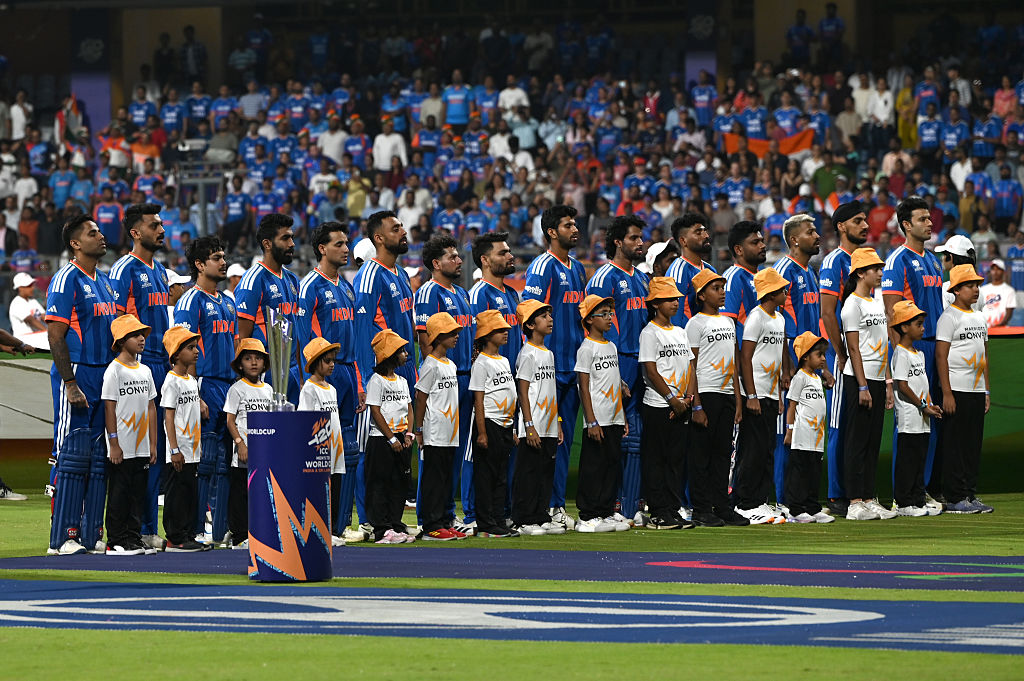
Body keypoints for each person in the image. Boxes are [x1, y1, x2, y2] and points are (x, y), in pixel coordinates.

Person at [47, 214, 119, 556]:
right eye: (92, 233)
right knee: (70, 453)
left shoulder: (104, 281)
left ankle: (90, 534)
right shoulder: (65, 280)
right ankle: (62, 536)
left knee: (97, 457)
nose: (101, 236)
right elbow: (55, 335)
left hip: (103, 374)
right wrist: (70, 382)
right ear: (76, 243)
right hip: (77, 371)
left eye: (100, 231)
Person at [296, 222, 366, 543]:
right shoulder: (310, 285)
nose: (346, 249)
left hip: (349, 371)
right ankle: (321, 523)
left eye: (346, 243)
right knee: (321, 451)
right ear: (322, 249)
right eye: (339, 244)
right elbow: (303, 338)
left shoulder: (347, 286)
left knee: (347, 450)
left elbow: (352, 339)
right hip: (323, 373)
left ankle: (340, 524)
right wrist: (308, 379)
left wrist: (359, 382)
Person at [109, 203, 171, 552]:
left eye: (161, 224)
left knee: (153, 454)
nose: (161, 230)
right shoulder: (123, 270)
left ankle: (148, 529)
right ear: (136, 232)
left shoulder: (160, 271)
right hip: (135, 368)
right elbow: (116, 325)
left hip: (160, 366)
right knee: (130, 456)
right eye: (154, 225)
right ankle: (126, 532)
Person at [521, 205, 585, 523]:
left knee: (563, 439)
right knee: (544, 441)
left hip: (573, 367)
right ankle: (542, 505)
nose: (575, 229)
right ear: (551, 232)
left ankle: (556, 504)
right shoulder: (542, 267)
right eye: (568, 225)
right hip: (549, 369)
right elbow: (528, 312)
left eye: (575, 223)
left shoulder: (578, 268)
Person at [353, 211, 417, 534]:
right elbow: (363, 331)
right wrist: (366, 380)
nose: (402, 232)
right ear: (379, 238)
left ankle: (393, 519)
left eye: (402, 226)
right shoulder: (369, 275)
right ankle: (368, 521)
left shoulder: (402, 275)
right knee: (373, 452)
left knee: (399, 454)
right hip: (378, 379)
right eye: (395, 228)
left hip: (403, 377)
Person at [174, 236, 238, 546]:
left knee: (227, 462)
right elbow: (183, 350)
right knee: (205, 461)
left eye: (223, 256)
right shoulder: (190, 300)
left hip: (230, 385)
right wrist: (195, 392)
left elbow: (237, 345)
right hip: (205, 384)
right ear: (200, 265)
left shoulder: (228, 301)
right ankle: (197, 528)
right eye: (216, 257)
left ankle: (222, 529)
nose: (223, 261)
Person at [584, 215, 648, 521]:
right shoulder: (603, 278)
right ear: (617, 242)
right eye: (634, 238)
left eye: (641, 238)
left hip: (641, 361)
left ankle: (630, 505)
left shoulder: (642, 278)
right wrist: (613, 371)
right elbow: (595, 331)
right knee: (612, 436)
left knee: (634, 437)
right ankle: (606, 504)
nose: (640, 243)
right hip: (617, 360)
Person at [882, 196, 945, 510]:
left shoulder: (933, 260)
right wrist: (898, 361)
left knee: (930, 419)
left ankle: (922, 490)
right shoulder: (897, 261)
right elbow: (892, 313)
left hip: (935, 345)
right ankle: (901, 495)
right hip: (912, 347)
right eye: (922, 219)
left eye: (929, 218)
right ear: (906, 224)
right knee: (908, 423)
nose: (929, 223)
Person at [413, 234, 476, 534]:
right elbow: (425, 341)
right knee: (433, 451)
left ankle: (448, 514)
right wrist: (436, 376)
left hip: (464, 376)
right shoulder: (428, 293)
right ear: (436, 264)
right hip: (442, 380)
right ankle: (428, 518)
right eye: (452, 257)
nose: (459, 260)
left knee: (454, 450)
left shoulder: (462, 295)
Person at [773, 213, 832, 510]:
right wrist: (787, 366)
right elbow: (781, 323)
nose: (817, 236)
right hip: (792, 366)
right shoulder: (784, 269)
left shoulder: (810, 272)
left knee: (809, 433)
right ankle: (786, 501)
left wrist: (822, 364)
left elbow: (815, 322)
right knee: (789, 433)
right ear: (795, 239)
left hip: (807, 365)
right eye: (811, 232)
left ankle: (805, 501)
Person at [686, 269, 747, 527]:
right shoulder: (694, 324)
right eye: (716, 288)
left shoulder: (728, 322)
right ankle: (701, 508)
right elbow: (691, 365)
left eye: (723, 287)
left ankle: (722, 506)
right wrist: (696, 403)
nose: (722, 292)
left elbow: (733, 361)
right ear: (701, 295)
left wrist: (738, 398)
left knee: (723, 453)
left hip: (726, 394)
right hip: (706, 393)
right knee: (702, 454)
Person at [819, 201, 869, 516]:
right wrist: (840, 353)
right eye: (858, 221)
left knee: (859, 426)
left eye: (866, 220)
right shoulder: (834, 262)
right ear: (841, 226)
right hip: (843, 354)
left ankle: (859, 492)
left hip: (864, 355)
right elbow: (827, 312)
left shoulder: (866, 260)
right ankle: (837, 495)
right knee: (839, 423)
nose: (865, 225)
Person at [840, 248, 897, 521]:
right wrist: (862, 386)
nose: (879, 273)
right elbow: (853, 348)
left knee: (873, 441)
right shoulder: (852, 305)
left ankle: (869, 497)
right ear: (861, 272)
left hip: (876, 378)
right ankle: (854, 502)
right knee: (857, 440)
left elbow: (883, 346)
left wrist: (887, 383)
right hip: (857, 380)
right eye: (875, 268)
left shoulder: (876, 303)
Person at [638, 277, 696, 530]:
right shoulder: (649, 333)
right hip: (659, 406)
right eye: (669, 299)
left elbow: (691, 366)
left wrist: (688, 399)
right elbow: (651, 371)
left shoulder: (681, 332)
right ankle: (659, 512)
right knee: (657, 460)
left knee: (675, 461)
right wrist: (673, 400)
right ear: (655, 304)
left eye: (676, 299)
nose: (676, 303)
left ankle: (673, 509)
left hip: (682, 404)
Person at [732, 268, 788, 525]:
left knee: (766, 449)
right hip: (755, 393)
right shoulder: (757, 318)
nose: (785, 292)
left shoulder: (779, 319)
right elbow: (745, 357)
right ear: (770, 293)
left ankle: (760, 500)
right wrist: (750, 394)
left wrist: (777, 394)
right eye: (781, 289)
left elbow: (777, 358)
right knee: (751, 450)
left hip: (770, 393)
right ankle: (745, 503)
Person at [936, 265, 992, 514]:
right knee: (955, 444)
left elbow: (984, 354)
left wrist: (987, 391)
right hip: (957, 389)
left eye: (977, 285)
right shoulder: (949, 317)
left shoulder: (979, 316)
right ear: (956, 290)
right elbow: (941, 355)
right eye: (970, 285)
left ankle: (969, 493)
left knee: (972, 444)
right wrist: (946, 392)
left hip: (977, 391)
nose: (975, 289)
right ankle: (954, 496)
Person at [101, 314, 158, 555]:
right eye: (135, 335)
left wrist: (153, 444)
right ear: (122, 340)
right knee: (119, 494)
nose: (141, 339)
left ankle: (133, 538)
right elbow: (109, 406)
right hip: (122, 445)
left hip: (142, 445)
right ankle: (115, 540)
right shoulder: (114, 370)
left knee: (137, 494)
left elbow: (151, 407)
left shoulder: (145, 370)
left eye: (142, 335)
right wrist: (113, 443)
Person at [574, 294, 630, 533]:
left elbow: (615, 383)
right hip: (598, 419)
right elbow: (583, 386)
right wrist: (591, 421)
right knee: (593, 466)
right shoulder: (586, 348)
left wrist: (623, 418)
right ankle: (588, 515)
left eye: (610, 313)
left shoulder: (612, 346)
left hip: (614, 417)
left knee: (611, 464)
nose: (609, 318)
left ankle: (605, 510)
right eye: (603, 314)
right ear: (589, 320)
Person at [235, 213, 303, 404]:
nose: (292, 244)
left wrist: (301, 374)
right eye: (285, 238)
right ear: (267, 244)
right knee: (271, 432)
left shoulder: (292, 280)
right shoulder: (253, 280)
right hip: (268, 372)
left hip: (292, 370)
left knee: (292, 431)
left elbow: (294, 331)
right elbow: (242, 338)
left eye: (292, 237)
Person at [512, 299, 565, 537]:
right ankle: (524, 518)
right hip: (532, 425)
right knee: (528, 472)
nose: (550, 319)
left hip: (549, 425)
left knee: (545, 471)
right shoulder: (527, 353)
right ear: (531, 325)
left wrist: (558, 423)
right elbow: (522, 390)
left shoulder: (549, 353)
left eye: (549, 316)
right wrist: (529, 425)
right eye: (543, 316)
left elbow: (550, 389)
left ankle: (541, 515)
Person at [413, 313, 468, 541]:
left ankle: (444, 520)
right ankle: (430, 525)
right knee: (433, 479)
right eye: (451, 333)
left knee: (446, 478)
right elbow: (420, 397)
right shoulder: (430, 365)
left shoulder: (451, 364)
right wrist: (418, 429)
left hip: (450, 433)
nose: (456, 336)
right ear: (438, 336)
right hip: (434, 432)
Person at [889, 301, 943, 516]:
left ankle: (918, 499)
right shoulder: (901, 353)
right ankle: (903, 503)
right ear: (904, 327)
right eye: (918, 324)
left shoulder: (918, 354)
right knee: (908, 460)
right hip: (910, 418)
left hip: (922, 417)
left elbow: (924, 384)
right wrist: (922, 406)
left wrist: (930, 405)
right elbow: (902, 385)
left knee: (920, 458)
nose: (923, 329)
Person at [469, 309, 519, 538]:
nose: (506, 332)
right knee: (486, 477)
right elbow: (478, 400)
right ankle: (486, 523)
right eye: (500, 330)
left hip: (506, 426)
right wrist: (481, 432)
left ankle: (499, 520)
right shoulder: (481, 363)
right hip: (489, 425)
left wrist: (514, 428)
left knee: (501, 477)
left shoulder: (505, 360)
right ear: (488, 335)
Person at [364, 329, 417, 544]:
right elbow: (375, 411)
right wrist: (392, 439)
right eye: (401, 351)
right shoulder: (376, 381)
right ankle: (381, 528)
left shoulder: (402, 381)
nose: (406, 354)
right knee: (379, 483)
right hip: (382, 439)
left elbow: (409, 408)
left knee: (399, 483)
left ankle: (395, 523)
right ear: (389, 354)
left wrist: (408, 434)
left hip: (402, 437)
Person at [160, 326, 209, 552]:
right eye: (190, 348)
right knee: (176, 494)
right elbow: (168, 417)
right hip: (179, 449)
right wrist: (173, 449)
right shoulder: (172, 382)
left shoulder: (190, 380)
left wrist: (200, 403)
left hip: (193, 448)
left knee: (189, 492)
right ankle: (174, 537)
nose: (196, 351)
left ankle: (188, 533)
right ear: (177, 354)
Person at [223, 339, 273, 549]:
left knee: (262, 494)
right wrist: (240, 443)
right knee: (240, 495)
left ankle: (259, 533)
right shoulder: (237, 389)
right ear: (240, 364)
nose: (253, 362)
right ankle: (239, 536)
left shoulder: (269, 389)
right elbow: (230, 420)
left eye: (258, 358)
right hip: (243, 453)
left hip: (264, 453)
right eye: (248, 358)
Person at [298, 337, 345, 546]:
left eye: (333, 360)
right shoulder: (309, 389)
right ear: (316, 363)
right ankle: (320, 531)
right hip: (319, 450)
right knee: (320, 492)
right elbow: (306, 421)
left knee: (334, 489)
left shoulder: (331, 389)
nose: (332, 364)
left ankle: (331, 530)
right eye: (327, 360)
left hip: (335, 448)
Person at [783, 332, 832, 524]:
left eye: (823, 355)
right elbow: (792, 405)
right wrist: (789, 430)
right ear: (805, 357)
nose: (822, 359)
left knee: (814, 472)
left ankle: (812, 507)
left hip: (817, 437)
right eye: (819, 355)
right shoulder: (800, 378)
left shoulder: (816, 379)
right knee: (799, 472)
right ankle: (795, 509)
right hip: (801, 435)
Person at [469, 231, 522, 363]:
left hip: (514, 376)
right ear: (485, 260)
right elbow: (474, 343)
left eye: (509, 251)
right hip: (493, 379)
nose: (510, 256)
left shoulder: (512, 292)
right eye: (502, 253)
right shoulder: (479, 295)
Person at [666, 212, 716, 323]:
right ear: (683, 241)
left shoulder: (711, 270)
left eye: (705, 231)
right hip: (689, 338)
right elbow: (675, 318)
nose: (706, 236)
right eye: (698, 233)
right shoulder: (678, 272)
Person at [8, 272, 47, 350]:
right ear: (20, 288)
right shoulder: (17, 303)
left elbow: (45, 317)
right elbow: (31, 321)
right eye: (28, 286)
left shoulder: (33, 301)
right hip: (23, 339)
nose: (32, 288)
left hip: (36, 337)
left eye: (32, 285)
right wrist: (48, 332)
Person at [978, 259, 1016, 327]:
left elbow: (1009, 312)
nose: (995, 272)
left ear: (1003, 272)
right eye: (993, 269)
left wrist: (999, 325)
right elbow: (978, 309)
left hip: (1001, 329)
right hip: (984, 328)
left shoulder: (1009, 290)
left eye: (998, 269)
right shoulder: (983, 289)